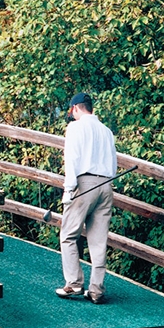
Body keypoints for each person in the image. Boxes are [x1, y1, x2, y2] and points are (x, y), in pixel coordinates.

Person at [55, 92, 117, 304]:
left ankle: (73, 284)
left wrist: (68, 190)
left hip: (84, 184)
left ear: (75, 108)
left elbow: (71, 159)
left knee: (68, 235)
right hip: (106, 186)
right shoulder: (106, 131)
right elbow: (113, 163)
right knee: (98, 241)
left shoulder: (75, 127)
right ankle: (96, 290)